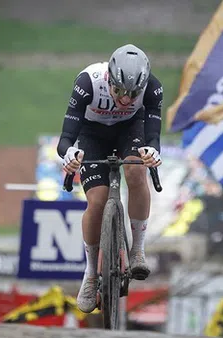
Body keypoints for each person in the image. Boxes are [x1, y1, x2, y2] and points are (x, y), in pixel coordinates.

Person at [56, 44, 163, 313]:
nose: (126, 100)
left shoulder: (153, 88)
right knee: (98, 199)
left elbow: (153, 136)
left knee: (137, 170)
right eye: (119, 92)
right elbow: (66, 137)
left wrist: (152, 152)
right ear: (109, 79)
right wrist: (69, 153)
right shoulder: (87, 82)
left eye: (133, 94)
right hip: (92, 134)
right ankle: (91, 273)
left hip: (130, 129)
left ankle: (137, 250)